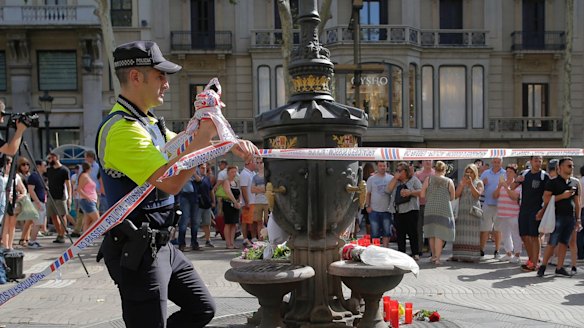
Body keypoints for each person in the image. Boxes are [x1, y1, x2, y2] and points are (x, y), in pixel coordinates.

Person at [96, 41, 257, 328]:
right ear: (135, 77)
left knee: (203, 308)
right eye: (160, 76)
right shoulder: (122, 130)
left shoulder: (150, 124)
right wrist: (203, 140)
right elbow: (170, 182)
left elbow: (186, 146)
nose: (167, 85)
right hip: (136, 248)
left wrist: (232, 144)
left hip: (163, 244)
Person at [537, 158, 582, 277]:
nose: (571, 168)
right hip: (557, 216)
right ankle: (543, 266)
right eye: (569, 166)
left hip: (570, 217)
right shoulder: (553, 182)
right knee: (552, 242)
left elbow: (577, 202)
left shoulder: (574, 183)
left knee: (564, 243)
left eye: (572, 166)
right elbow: (546, 199)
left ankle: (559, 267)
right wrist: (562, 196)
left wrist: (578, 219)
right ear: (560, 167)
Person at [514, 156, 549, 272]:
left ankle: (534, 262)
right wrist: (517, 180)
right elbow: (512, 187)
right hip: (524, 209)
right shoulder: (524, 174)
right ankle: (532, 259)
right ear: (531, 162)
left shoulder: (544, 176)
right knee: (523, 235)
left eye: (540, 161)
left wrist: (543, 210)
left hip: (536, 209)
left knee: (534, 235)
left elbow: (548, 195)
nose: (538, 163)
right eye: (536, 161)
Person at [420, 161, 455, 265]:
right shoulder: (449, 181)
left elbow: (422, 194)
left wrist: (429, 196)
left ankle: (433, 256)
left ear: (435, 169)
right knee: (440, 234)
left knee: (431, 233)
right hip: (444, 208)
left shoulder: (428, 179)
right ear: (444, 170)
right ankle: (437, 258)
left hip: (430, 207)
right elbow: (452, 197)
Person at [387, 161, 422, 259]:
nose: (397, 172)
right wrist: (395, 178)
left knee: (412, 232)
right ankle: (401, 253)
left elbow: (421, 191)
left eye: (399, 170)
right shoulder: (395, 181)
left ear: (405, 171)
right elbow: (388, 189)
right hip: (398, 210)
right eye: (396, 170)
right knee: (400, 233)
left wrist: (410, 192)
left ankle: (415, 253)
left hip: (411, 209)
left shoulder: (414, 180)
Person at [451, 163, 484, 263]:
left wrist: (471, 184)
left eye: (471, 172)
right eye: (467, 172)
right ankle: (458, 255)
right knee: (461, 233)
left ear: (475, 173)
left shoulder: (479, 182)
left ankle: (472, 256)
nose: (469, 174)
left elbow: (477, 195)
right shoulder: (462, 182)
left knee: (472, 233)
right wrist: (462, 185)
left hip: (473, 211)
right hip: (462, 211)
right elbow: (456, 195)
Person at [493, 164, 522, 264]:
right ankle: (508, 253)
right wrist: (499, 187)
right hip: (502, 213)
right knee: (505, 234)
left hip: (513, 213)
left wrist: (506, 187)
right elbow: (495, 196)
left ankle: (517, 254)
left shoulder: (518, 185)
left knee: (515, 234)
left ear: (515, 173)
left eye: (510, 172)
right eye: (507, 172)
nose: (508, 174)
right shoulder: (502, 183)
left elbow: (514, 197)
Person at [480, 157, 505, 259]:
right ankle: (481, 250)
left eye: (498, 162)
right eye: (494, 162)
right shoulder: (485, 173)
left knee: (498, 229)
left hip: (500, 204)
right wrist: (483, 184)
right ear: (492, 162)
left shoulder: (505, 173)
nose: (496, 164)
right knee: (484, 229)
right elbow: (479, 188)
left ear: (501, 163)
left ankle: (497, 250)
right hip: (487, 203)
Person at [0, 157, 27, 250]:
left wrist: (19, 196)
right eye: (8, 163)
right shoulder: (1, 176)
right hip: (3, 202)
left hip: (12, 202)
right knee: (5, 225)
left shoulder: (15, 176)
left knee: (12, 225)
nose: (9, 165)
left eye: (11, 163)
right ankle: (6, 246)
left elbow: (23, 190)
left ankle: (10, 246)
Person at [46, 152, 72, 244]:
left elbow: (68, 185)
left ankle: (62, 234)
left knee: (63, 215)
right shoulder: (49, 170)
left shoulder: (64, 170)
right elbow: (47, 181)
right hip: (51, 196)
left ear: (56, 158)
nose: (49, 160)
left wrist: (69, 197)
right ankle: (59, 234)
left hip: (61, 196)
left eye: (50, 158)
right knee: (53, 216)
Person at [365, 161, 393, 247]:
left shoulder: (391, 178)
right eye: (380, 166)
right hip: (374, 210)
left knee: (387, 232)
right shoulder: (371, 179)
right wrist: (367, 206)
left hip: (387, 209)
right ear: (377, 167)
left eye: (384, 166)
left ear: (386, 167)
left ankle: (385, 250)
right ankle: (376, 250)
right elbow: (368, 193)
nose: (382, 167)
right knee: (374, 233)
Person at [26, 160, 48, 249]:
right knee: (37, 223)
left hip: (41, 201)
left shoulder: (40, 176)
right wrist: (38, 202)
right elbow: (31, 190)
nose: (46, 167)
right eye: (44, 165)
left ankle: (33, 240)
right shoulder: (33, 177)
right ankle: (32, 242)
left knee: (38, 223)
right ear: (38, 166)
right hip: (37, 202)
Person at [415, 160, 435, 255]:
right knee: (419, 228)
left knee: (431, 228)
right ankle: (419, 249)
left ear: (433, 162)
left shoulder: (436, 174)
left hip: (432, 205)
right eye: (425, 160)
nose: (427, 162)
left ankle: (433, 250)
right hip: (420, 205)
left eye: (429, 160)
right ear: (422, 162)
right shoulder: (418, 174)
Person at [177, 173, 200, 251]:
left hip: (194, 196)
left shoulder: (195, 169)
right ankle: (182, 244)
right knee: (184, 220)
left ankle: (194, 243)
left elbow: (199, 180)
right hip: (184, 195)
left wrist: (193, 173)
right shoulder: (182, 169)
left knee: (195, 221)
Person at [196, 162, 215, 247]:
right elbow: (197, 181)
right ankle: (194, 241)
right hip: (198, 205)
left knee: (207, 223)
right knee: (196, 223)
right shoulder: (196, 179)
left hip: (207, 204)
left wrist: (213, 201)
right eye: (202, 168)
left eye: (205, 168)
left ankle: (208, 240)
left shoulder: (207, 179)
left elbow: (211, 191)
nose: (204, 170)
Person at [76, 162, 99, 233]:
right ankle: (88, 234)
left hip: (91, 200)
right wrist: (88, 197)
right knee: (97, 220)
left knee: (87, 221)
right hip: (88, 201)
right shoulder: (84, 176)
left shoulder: (87, 176)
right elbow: (79, 189)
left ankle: (85, 238)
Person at [222, 165, 241, 249]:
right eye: (232, 172)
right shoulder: (226, 182)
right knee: (228, 223)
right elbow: (228, 192)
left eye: (235, 172)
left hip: (235, 205)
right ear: (228, 173)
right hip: (228, 204)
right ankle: (228, 243)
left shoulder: (236, 182)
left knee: (234, 224)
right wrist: (234, 202)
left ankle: (232, 242)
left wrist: (239, 202)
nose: (233, 174)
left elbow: (239, 193)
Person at [239, 159, 257, 245]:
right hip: (249, 201)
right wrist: (247, 201)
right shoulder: (244, 173)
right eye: (254, 162)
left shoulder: (252, 173)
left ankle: (253, 237)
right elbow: (243, 188)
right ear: (248, 163)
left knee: (253, 220)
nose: (256, 164)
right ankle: (245, 238)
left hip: (254, 201)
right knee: (246, 221)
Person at [251, 159, 269, 239]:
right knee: (259, 221)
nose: (259, 164)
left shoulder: (267, 175)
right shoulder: (255, 176)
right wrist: (262, 189)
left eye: (261, 162)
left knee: (268, 221)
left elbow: (268, 188)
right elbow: (252, 189)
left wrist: (258, 188)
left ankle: (268, 239)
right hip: (258, 201)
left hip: (267, 201)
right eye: (257, 162)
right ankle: (260, 239)